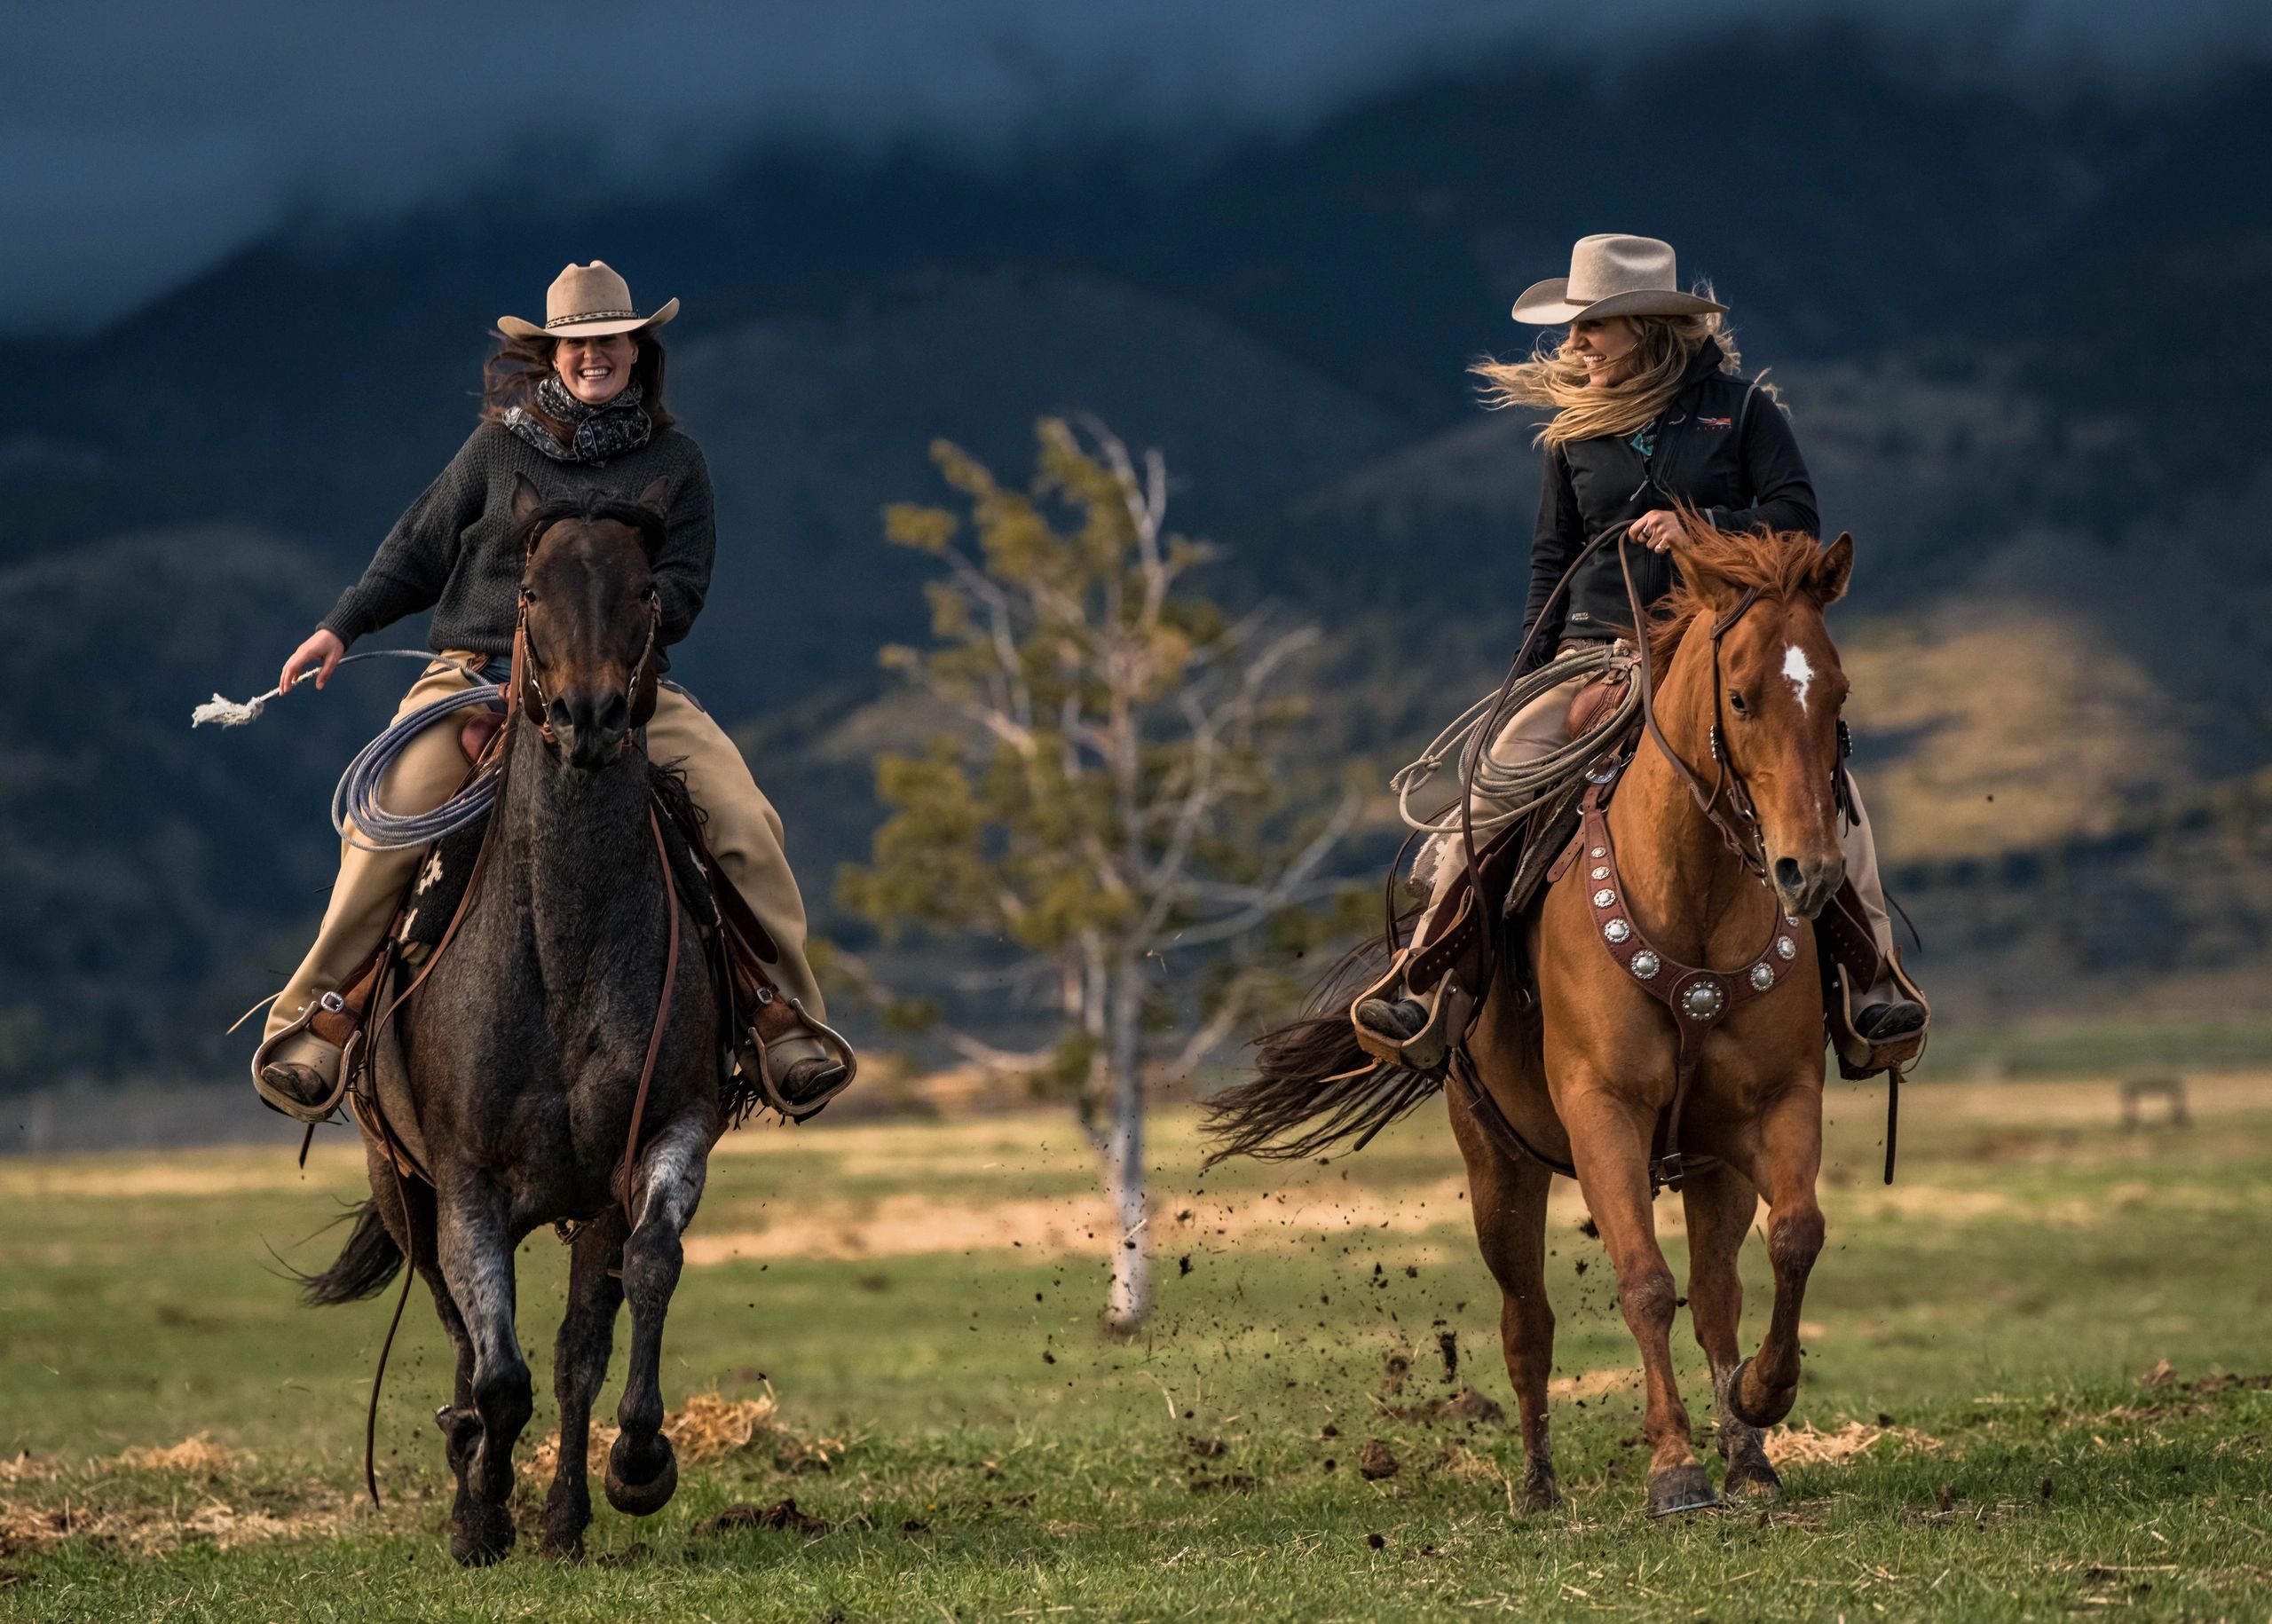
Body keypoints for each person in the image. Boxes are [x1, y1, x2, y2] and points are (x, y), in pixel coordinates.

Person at [253, 261, 847, 1120]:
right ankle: (315, 1024)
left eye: (608, 341)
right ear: (549, 356)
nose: (592, 357)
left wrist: (608, 637)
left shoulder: (676, 462)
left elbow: (684, 583)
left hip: (621, 683)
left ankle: (783, 1024)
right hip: (473, 676)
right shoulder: (495, 449)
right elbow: (418, 549)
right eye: (575, 345)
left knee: (747, 824)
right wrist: (341, 625)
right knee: (383, 822)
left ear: (637, 351)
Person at [1355, 233, 1926, 1062]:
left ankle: (1869, 986)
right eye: (1577, 327)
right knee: (1493, 793)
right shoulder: (1571, 436)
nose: (1575, 344)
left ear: (1648, 329)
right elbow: (1552, 560)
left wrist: (1702, 530)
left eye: (1592, 327)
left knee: (1830, 796)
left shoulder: (1742, 413)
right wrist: (1528, 670)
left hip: (1718, 654)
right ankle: (1429, 982)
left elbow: (1797, 517)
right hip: (1594, 653)